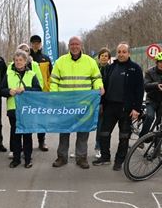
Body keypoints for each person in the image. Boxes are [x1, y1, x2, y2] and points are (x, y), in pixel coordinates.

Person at [50, 36, 104, 169]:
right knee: (64, 131)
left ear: (81, 46)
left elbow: (96, 78)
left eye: (77, 44)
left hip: (83, 104)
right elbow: (54, 81)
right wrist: (55, 96)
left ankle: (81, 158)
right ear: (69, 46)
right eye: (72, 44)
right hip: (65, 104)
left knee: (83, 131)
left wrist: (99, 86)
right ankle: (62, 157)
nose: (74, 46)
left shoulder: (90, 62)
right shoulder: (60, 61)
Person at [92, 42, 143, 171]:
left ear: (129, 53)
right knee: (104, 133)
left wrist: (136, 109)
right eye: (119, 52)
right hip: (110, 106)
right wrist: (102, 103)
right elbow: (104, 86)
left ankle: (119, 161)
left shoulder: (135, 68)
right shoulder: (111, 67)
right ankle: (105, 157)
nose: (121, 54)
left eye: (124, 52)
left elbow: (140, 90)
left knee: (124, 137)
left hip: (126, 108)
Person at [1, 49, 42, 168]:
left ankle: (28, 159)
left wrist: (26, 89)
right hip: (13, 109)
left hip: (27, 109)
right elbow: (1, 90)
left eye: (21, 60)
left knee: (27, 135)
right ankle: (16, 159)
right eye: (16, 60)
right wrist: (9, 91)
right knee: (16, 135)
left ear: (25, 62)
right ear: (13, 61)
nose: (18, 62)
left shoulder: (31, 74)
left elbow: (38, 90)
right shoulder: (9, 74)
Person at [29, 34, 52, 152]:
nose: (36, 44)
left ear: (40, 44)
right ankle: (27, 144)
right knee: (28, 118)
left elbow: (50, 76)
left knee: (42, 119)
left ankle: (41, 141)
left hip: (43, 93)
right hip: (29, 94)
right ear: (31, 44)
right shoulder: (26, 58)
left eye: (38, 42)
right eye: (33, 42)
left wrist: (50, 90)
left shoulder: (46, 59)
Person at [94, 47, 112, 158]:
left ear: (109, 58)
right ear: (99, 57)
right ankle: (80, 150)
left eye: (106, 56)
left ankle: (98, 146)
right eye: (102, 56)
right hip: (94, 100)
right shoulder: (94, 68)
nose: (104, 58)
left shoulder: (112, 69)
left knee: (102, 126)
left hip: (106, 102)